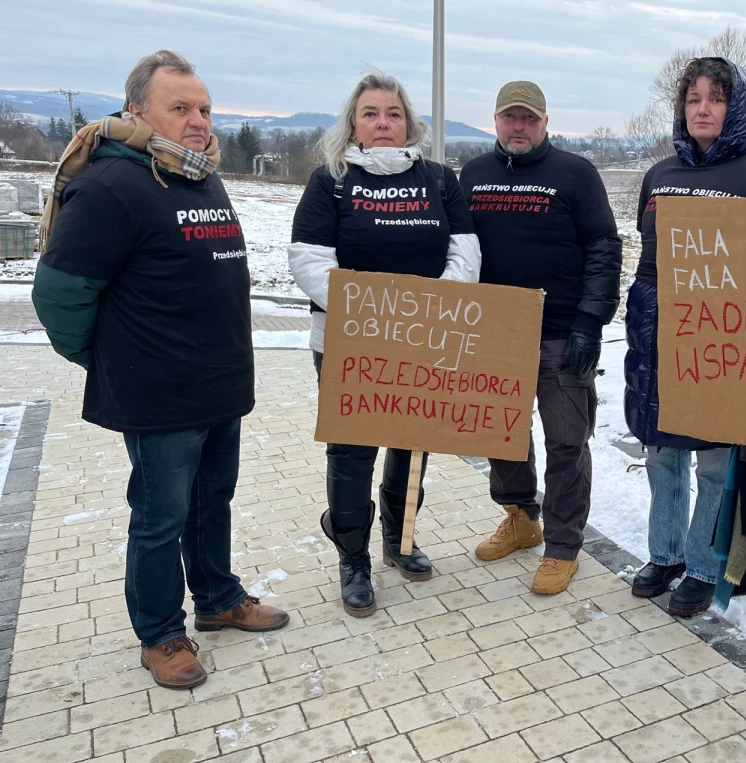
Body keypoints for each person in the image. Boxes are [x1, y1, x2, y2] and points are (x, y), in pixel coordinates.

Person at [31, 50, 289, 690]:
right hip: (158, 394)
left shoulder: (197, 176)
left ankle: (218, 598)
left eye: (205, 108)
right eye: (181, 107)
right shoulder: (110, 187)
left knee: (212, 502)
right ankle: (160, 633)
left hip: (218, 383)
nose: (199, 120)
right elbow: (59, 293)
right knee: (159, 518)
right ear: (137, 112)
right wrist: (101, 357)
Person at [288, 71, 480, 616]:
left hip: (424, 339)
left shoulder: (439, 180)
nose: (383, 123)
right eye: (370, 113)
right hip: (349, 340)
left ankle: (401, 539)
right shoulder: (332, 182)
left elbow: (464, 253)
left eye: (393, 113)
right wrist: (376, 313)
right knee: (353, 450)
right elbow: (309, 260)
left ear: (409, 122)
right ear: (354, 123)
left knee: (413, 441)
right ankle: (353, 558)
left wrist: (429, 309)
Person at [624, 58, 746, 617]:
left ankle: (704, 565)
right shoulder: (660, 175)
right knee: (661, 452)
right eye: (693, 99)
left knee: (713, 459)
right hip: (658, 328)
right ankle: (663, 555)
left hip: (724, 333)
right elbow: (646, 255)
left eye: (717, 98)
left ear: (739, 108)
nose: (703, 109)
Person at [459, 81, 621, 595]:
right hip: (494, 332)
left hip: (560, 335)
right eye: (510, 117)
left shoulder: (575, 174)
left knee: (567, 441)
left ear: (545, 122)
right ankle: (522, 518)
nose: (519, 126)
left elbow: (604, 247)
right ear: (495, 120)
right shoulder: (474, 175)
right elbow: (457, 249)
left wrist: (590, 322)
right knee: (499, 434)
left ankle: (563, 546)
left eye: (529, 118)